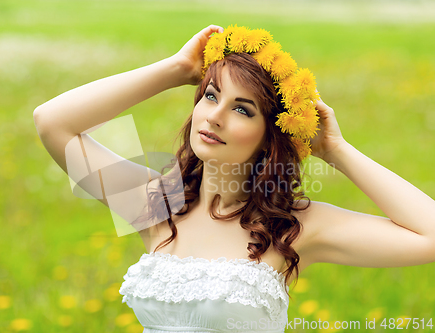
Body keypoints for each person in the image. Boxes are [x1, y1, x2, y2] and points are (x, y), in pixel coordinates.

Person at [33, 25, 435, 332]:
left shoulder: (294, 227)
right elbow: (52, 123)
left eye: (242, 110)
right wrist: (178, 69)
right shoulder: (158, 203)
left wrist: (335, 150)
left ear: (269, 138)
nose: (215, 116)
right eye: (211, 95)